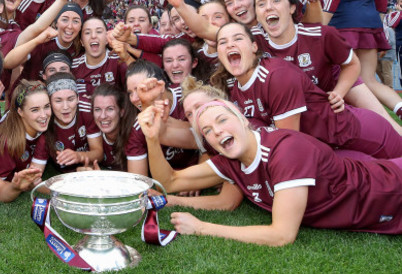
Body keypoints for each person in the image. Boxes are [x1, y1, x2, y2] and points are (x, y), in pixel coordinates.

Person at [138, 99, 402, 246]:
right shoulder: (231, 160)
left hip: (391, 192)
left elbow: (282, 235)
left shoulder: (286, 151)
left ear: (242, 120)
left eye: (222, 120)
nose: (216, 131)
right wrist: (152, 138)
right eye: (207, 131)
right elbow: (169, 182)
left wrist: (202, 228)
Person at [212, 22, 402, 159]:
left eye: (237, 38)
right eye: (222, 42)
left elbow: (289, 144)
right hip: (331, 147)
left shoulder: (276, 75)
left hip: (359, 133)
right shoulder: (236, 88)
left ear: (254, 46)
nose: (229, 44)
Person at [0, 80, 50, 181]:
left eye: (47, 106)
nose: (43, 115)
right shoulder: (6, 142)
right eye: (35, 110)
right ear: (20, 111)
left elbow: (34, 178)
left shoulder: (46, 128)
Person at [44, 72, 103, 171]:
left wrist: (79, 156)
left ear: (78, 98)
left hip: (87, 165)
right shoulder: (44, 117)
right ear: (49, 102)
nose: (66, 107)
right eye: (58, 101)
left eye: (70, 99)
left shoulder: (87, 110)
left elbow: (99, 153)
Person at [90, 83, 135, 171]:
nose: (103, 116)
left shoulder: (133, 135)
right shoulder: (91, 135)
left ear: (121, 112)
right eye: (97, 109)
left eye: (110, 109)